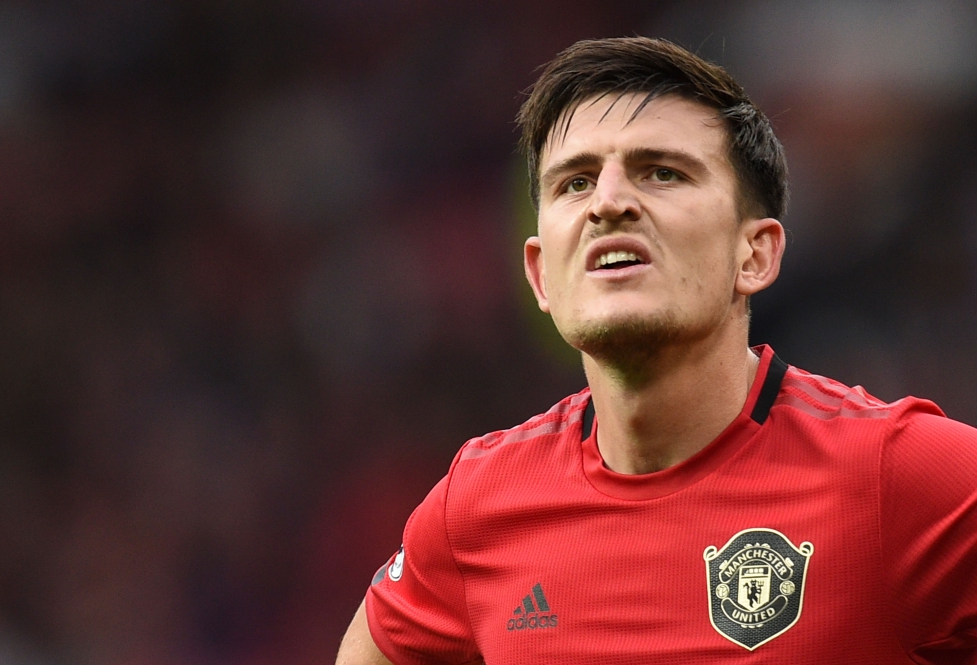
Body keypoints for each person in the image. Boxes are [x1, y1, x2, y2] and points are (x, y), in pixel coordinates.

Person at [335, 37, 977, 664]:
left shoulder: (897, 477)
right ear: (541, 275)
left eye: (663, 173)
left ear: (755, 253)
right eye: (576, 182)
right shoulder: (478, 508)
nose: (609, 203)